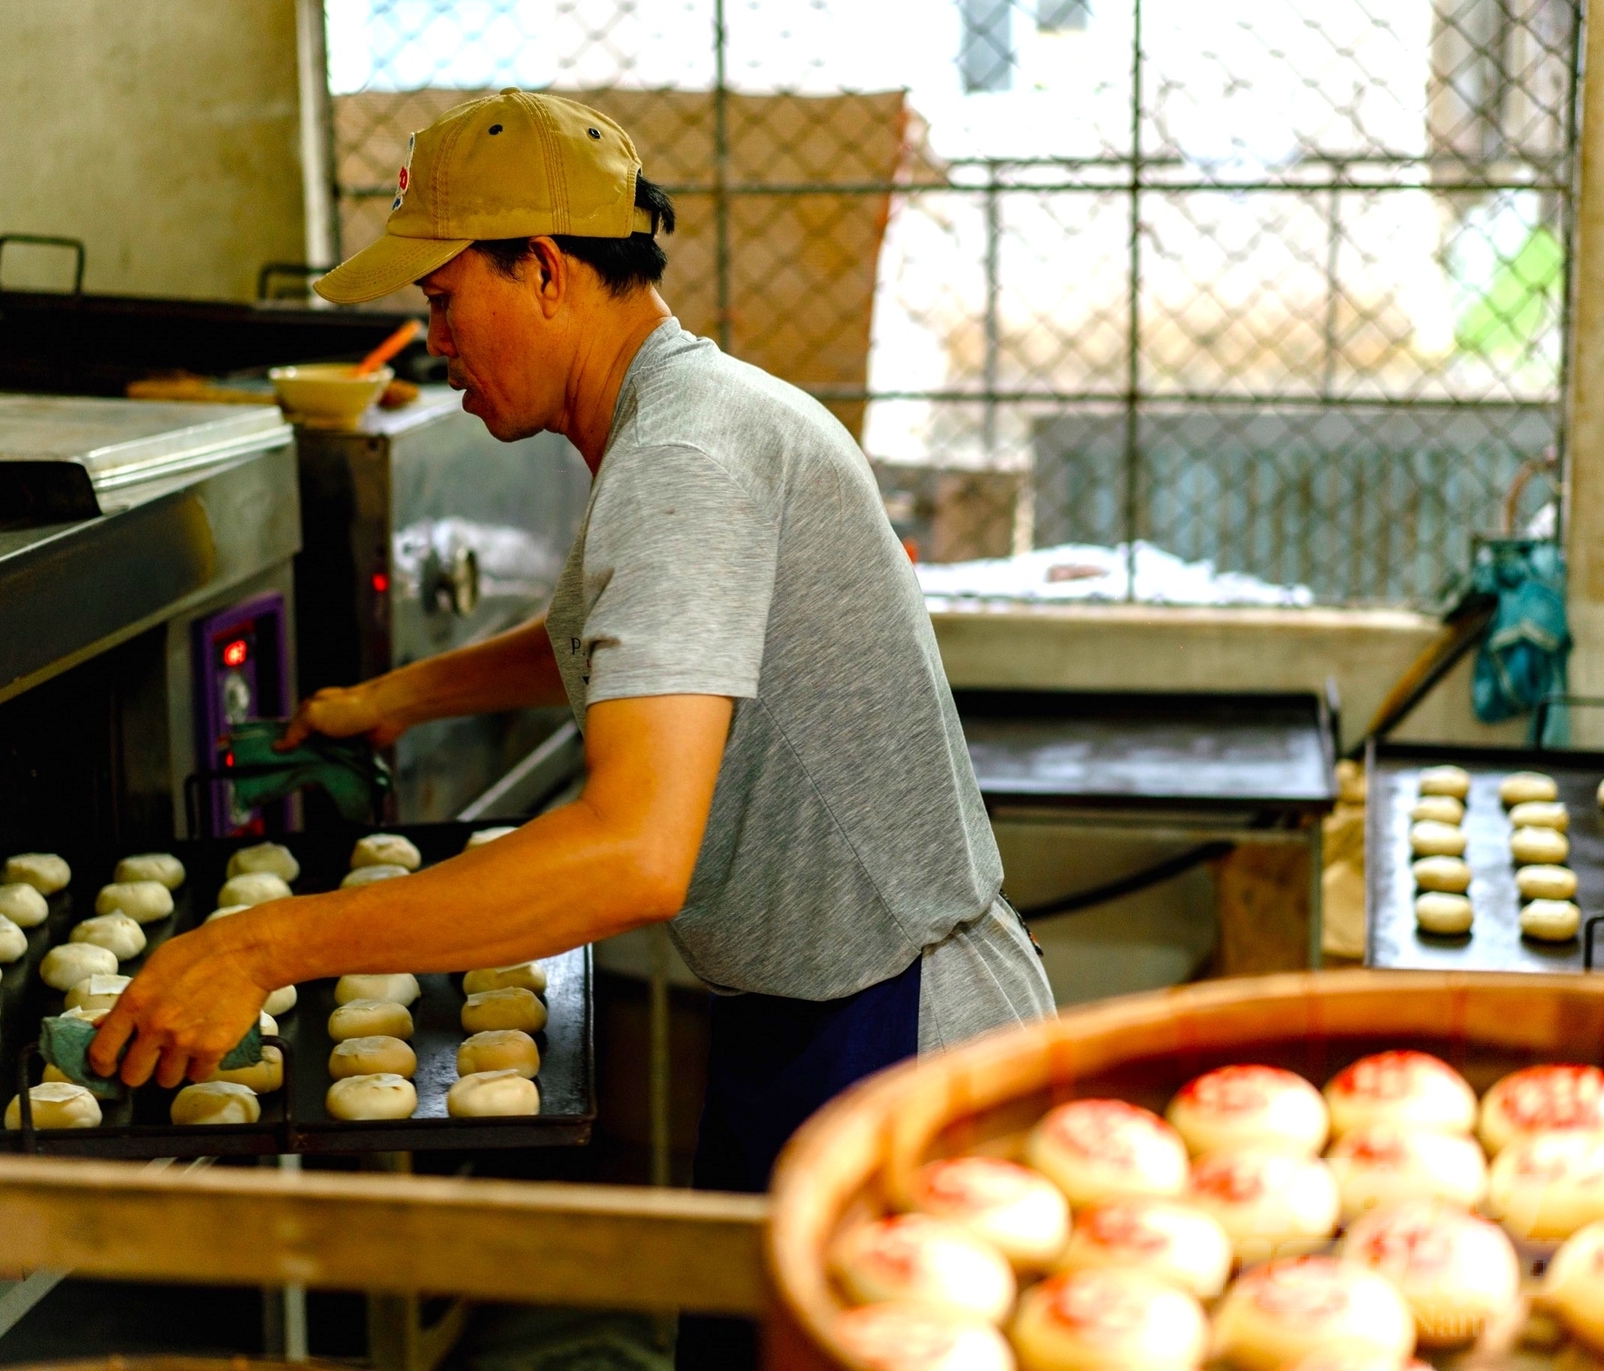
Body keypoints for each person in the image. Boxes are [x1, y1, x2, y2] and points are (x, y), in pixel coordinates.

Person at [91, 88, 1052, 1364]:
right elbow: (615, 644)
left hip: (893, 1031)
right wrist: (393, 700)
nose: (431, 342)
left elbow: (632, 853)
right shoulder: (689, 415)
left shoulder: (685, 462)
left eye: (440, 301)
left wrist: (266, 948)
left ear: (543, 270)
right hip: (811, 1011)